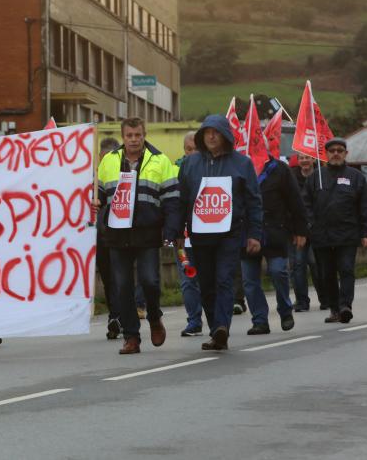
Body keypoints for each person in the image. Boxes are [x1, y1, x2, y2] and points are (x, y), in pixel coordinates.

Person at [174, 115, 263, 351]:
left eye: (216, 132)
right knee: (206, 284)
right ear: (202, 136)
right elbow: (181, 201)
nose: (211, 136)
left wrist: (255, 234)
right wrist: (177, 232)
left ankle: (222, 326)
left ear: (225, 135)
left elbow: (254, 202)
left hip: (229, 234)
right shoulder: (189, 164)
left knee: (224, 279)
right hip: (199, 235)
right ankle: (216, 330)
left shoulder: (242, 164)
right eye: (207, 132)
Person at [95, 117, 177, 354]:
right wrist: (96, 200)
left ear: (144, 134)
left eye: (137, 135)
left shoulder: (160, 161)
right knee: (122, 287)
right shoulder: (108, 161)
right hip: (117, 234)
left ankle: (153, 316)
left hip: (147, 232)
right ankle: (131, 337)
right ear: (123, 136)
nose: (133, 139)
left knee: (150, 281)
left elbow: (171, 199)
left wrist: (170, 231)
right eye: (129, 135)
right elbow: (99, 192)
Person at [302, 138, 367, 324]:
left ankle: (345, 306)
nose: (335, 153)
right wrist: (310, 224)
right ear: (326, 154)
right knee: (327, 274)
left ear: (345, 154)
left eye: (339, 150)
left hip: (347, 234)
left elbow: (365, 207)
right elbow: (305, 204)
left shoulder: (356, 177)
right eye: (332, 150)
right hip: (321, 236)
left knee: (347, 269)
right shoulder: (315, 177)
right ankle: (334, 309)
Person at [240, 153, 308, 334]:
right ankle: (260, 320)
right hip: (246, 234)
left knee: (279, 271)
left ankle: (285, 311)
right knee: (249, 280)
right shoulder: (238, 166)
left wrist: (300, 230)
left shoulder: (279, 169)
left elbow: (295, 200)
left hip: (274, 232)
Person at [174, 131, 203, 336]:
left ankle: (218, 321)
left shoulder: (211, 170)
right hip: (183, 238)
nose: (192, 153)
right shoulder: (175, 170)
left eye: (196, 149)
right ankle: (194, 321)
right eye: (189, 149)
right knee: (187, 280)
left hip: (207, 236)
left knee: (210, 280)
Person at [289, 153, 325, 311]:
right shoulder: (290, 178)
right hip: (297, 229)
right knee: (297, 266)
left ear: (313, 160)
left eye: (307, 157)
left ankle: (325, 298)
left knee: (317, 264)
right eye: (301, 158)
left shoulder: (322, 178)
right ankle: (302, 301)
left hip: (317, 229)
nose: (304, 161)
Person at [95, 136, 122, 339]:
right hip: (100, 236)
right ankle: (115, 316)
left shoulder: (124, 177)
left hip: (122, 235)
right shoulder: (91, 179)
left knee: (121, 278)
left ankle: (120, 315)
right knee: (108, 279)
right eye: (103, 159)